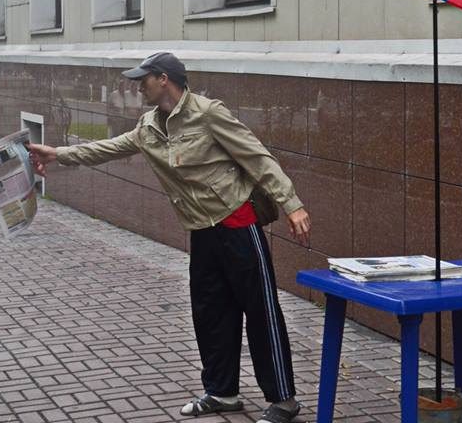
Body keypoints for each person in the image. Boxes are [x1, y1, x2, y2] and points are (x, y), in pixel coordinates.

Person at [28, 52, 311, 423]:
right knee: (210, 313)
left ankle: (284, 400)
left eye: (142, 79)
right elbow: (106, 149)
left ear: (164, 79)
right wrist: (58, 153)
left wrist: (292, 204)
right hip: (201, 232)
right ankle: (222, 392)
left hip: (237, 222)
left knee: (261, 311)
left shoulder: (208, 113)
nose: (137, 86)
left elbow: (257, 157)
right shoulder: (148, 126)